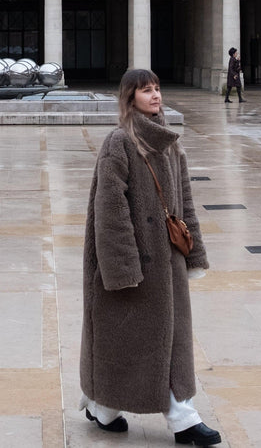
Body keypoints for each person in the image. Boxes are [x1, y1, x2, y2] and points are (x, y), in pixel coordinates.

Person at [80, 69, 222, 446]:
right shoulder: (119, 143)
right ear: (130, 98)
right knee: (129, 340)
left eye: (157, 89)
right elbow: (109, 210)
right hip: (135, 264)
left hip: (168, 262)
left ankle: (173, 414)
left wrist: (194, 257)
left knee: (168, 340)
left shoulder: (171, 144)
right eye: (147, 91)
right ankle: (115, 408)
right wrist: (123, 267)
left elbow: (185, 203)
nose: (156, 96)